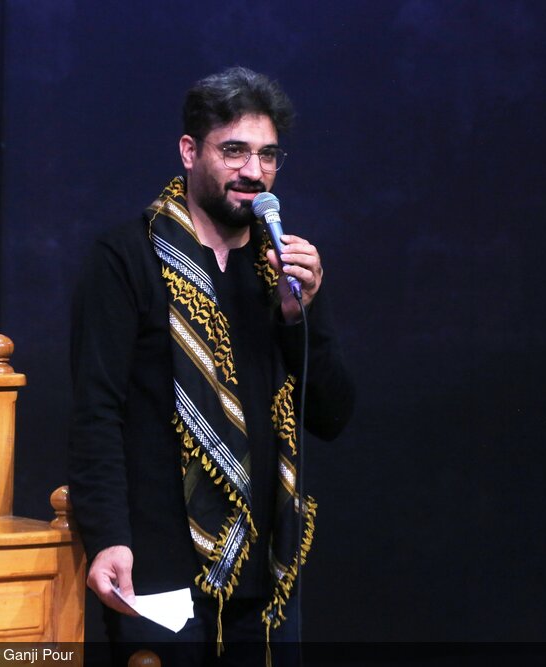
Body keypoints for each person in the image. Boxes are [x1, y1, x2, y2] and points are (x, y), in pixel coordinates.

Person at [69, 66, 354, 666]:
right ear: (189, 151)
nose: (254, 171)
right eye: (234, 151)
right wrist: (107, 538)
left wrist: (299, 317)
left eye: (268, 155)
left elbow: (331, 415)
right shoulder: (127, 257)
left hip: (264, 574)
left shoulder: (285, 271)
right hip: (158, 567)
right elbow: (97, 412)